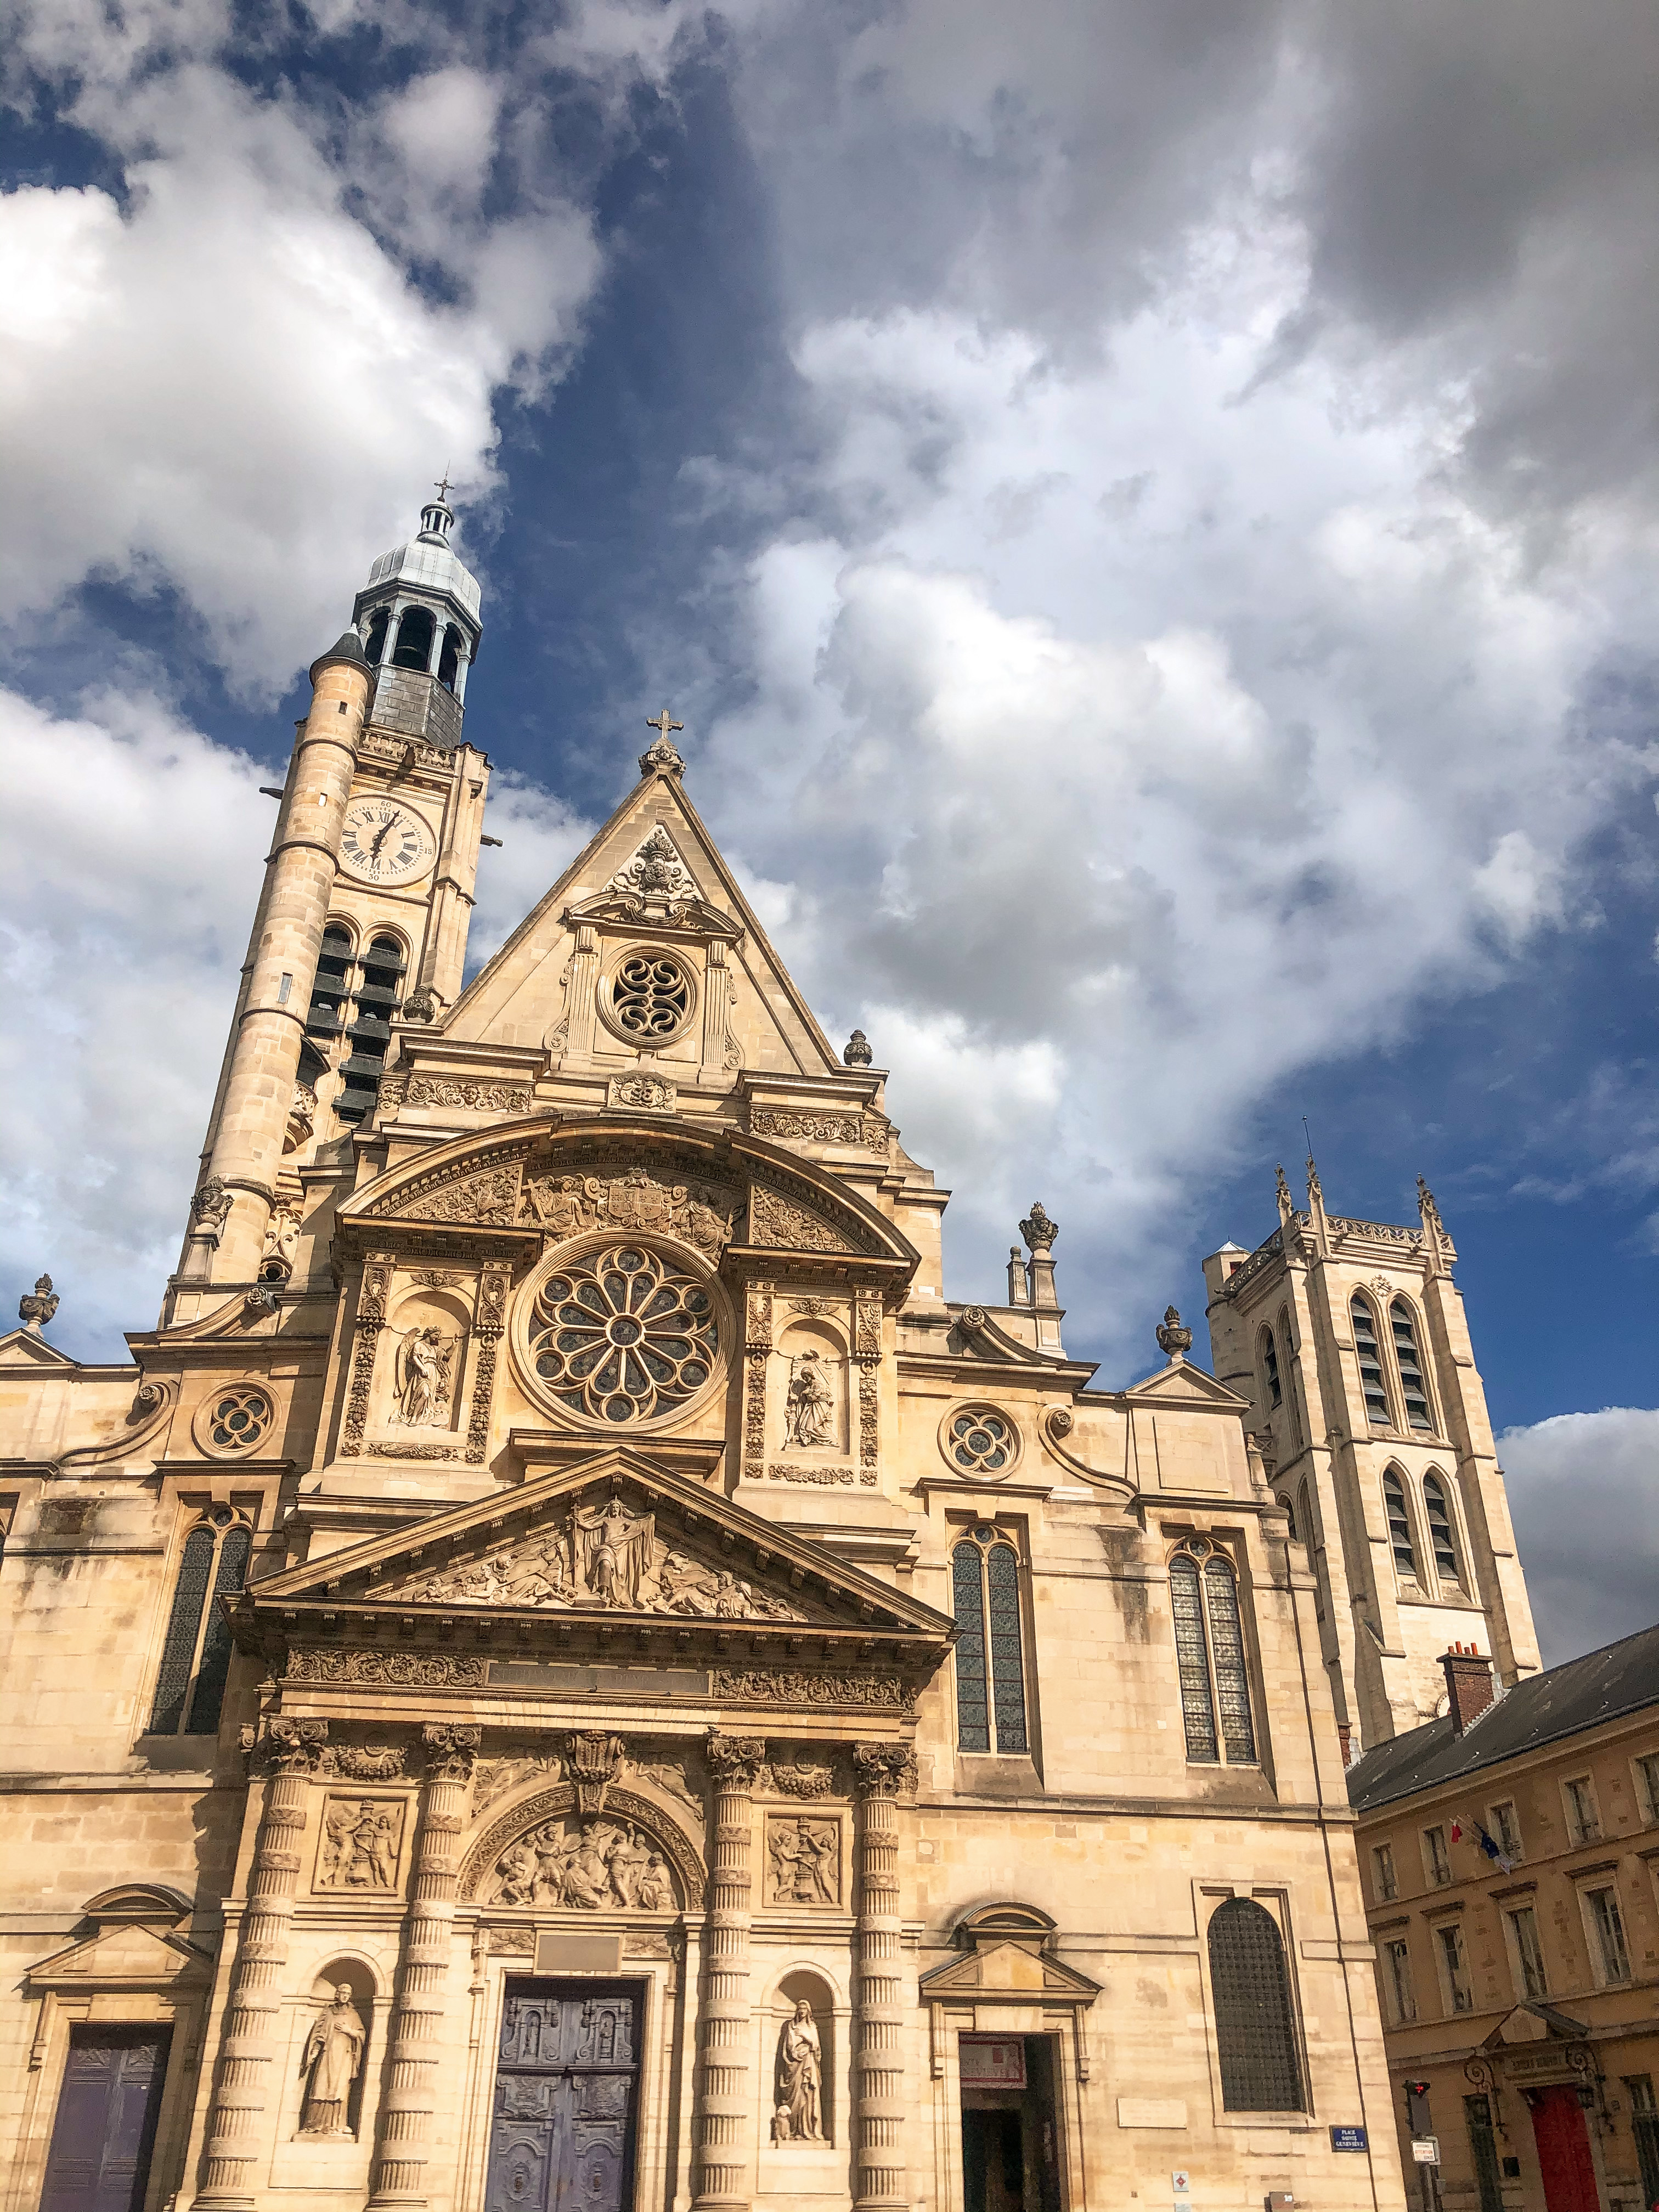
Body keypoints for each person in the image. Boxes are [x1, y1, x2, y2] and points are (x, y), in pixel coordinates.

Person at [299, 1984, 366, 2136]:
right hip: (327, 2056)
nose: (345, 1996)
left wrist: (349, 2031)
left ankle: (337, 2125)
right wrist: (314, 2052)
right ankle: (314, 2124)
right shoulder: (328, 2013)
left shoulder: (353, 2015)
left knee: (340, 2091)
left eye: (348, 1994)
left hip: (344, 2057)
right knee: (320, 2087)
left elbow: (361, 2034)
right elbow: (319, 2035)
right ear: (337, 1994)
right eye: (343, 1993)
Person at [778, 1999, 822, 2141]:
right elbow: (789, 2046)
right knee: (795, 2098)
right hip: (795, 2066)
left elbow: (815, 2045)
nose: (802, 2011)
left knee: (807, 2095)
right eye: (800, 2009)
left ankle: (807, 2129)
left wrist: (803, 2037)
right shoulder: (792, 2026)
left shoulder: (812, 2027)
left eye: (804, 2009)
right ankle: (793, 2130)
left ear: (808, 2011)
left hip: (808, 2064)